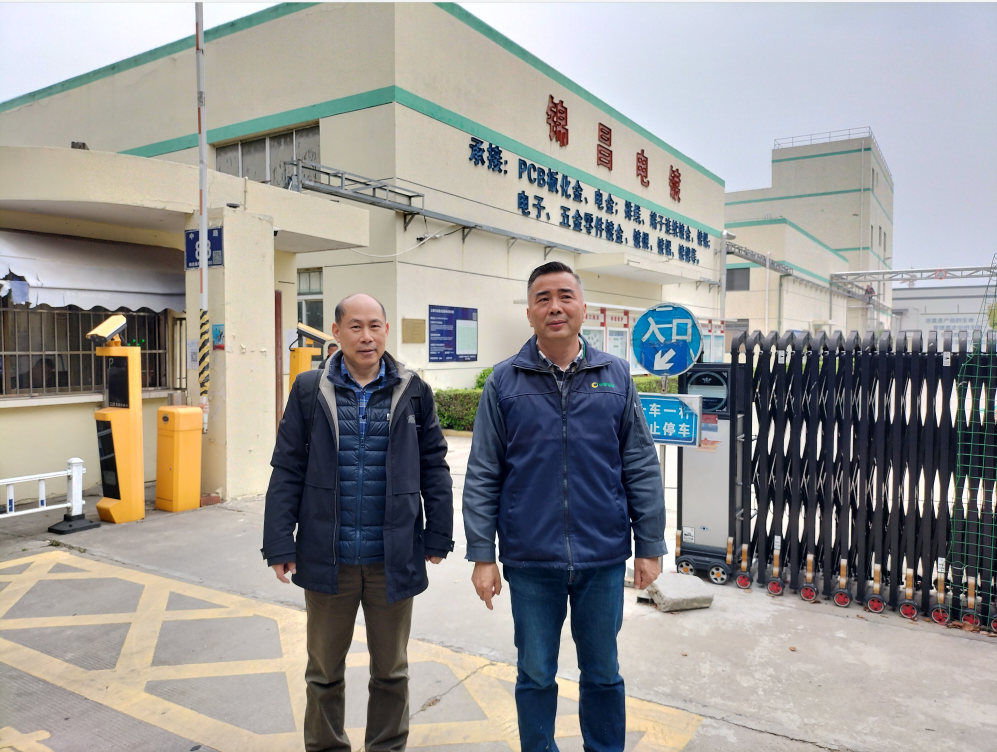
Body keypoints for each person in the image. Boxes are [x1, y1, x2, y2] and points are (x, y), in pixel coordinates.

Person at [462, 261, 665, 752]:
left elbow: (640, 462)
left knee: (602, 672)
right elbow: (484, 471)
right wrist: (482, 555)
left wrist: (649, 543)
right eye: (543, 298)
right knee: (535, 673)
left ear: (583, 308)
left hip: (602, 557)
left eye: (565, 296)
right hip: (531, 560)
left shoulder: (615, 375)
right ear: (530, 313)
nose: (555, 307)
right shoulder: (504, 382)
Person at [262, 293, 454, 752]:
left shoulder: (413, 390)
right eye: (355, 326)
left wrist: (438, 534)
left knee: (391, 673)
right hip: (328, 558)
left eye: (375, 326)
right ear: (337, 332)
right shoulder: (309, 390)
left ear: (386, 330)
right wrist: (279, 542)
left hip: (393, 558)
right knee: (323, 673)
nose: (366, 337)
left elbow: (434, 464)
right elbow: (287, 467)